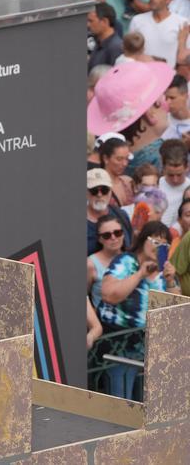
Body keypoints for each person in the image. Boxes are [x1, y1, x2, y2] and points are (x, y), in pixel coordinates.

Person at [98, 221, 168, 399]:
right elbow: (109, 295)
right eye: (155, 241)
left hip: (150, 349)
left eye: (164, 244)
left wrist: (172, 280)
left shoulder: (162, 274)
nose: (158, 247)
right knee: (122, 403)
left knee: (149, 406)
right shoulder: (126, 261)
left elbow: (176, 309)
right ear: (143, 239)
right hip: (119, 344)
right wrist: (139, 275)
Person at [88, 60, 176, 178]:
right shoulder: (160, 158)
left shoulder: (103, 159)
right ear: (150, 114)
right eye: (163, 96)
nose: (168, 104)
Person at [129, 0, 185, 66]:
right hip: (142, 75)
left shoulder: (182, 23)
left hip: (169, 76)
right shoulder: (137, 20)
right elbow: (130, 52)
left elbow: (185, 56)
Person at [86, 168, 133, 255]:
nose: (99, 195)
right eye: (94, 191)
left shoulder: (121, 215)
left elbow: (130, 245)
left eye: (104, 190)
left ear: (111, 191)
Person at [88, 213, 127, 311]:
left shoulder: (132, 258)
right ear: (100, 239)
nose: (113, 238)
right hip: (104, 323)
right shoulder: (90, 264)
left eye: (117, 233)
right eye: (107, 235)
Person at [158, 139, 190, 227]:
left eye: (179, 175)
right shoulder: (155, 185)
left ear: (187, 167)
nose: (175, 180)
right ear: (163, 167)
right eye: (170, 175)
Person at [87, 3, 123, 72]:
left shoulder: (116, 48)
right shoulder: (99, 43)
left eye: (91, 21)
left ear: (104, 21)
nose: (88, 25)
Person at [99, 137, 134, 207]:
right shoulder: (97, 186)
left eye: (127, 158)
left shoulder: (129, 182)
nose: (125, 163)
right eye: (119, 159)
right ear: (105, 158)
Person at [163, 75, 190, 141]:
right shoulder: (162, 124)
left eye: (172, 98)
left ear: (186, 96)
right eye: (166, 98)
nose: (168, 102)